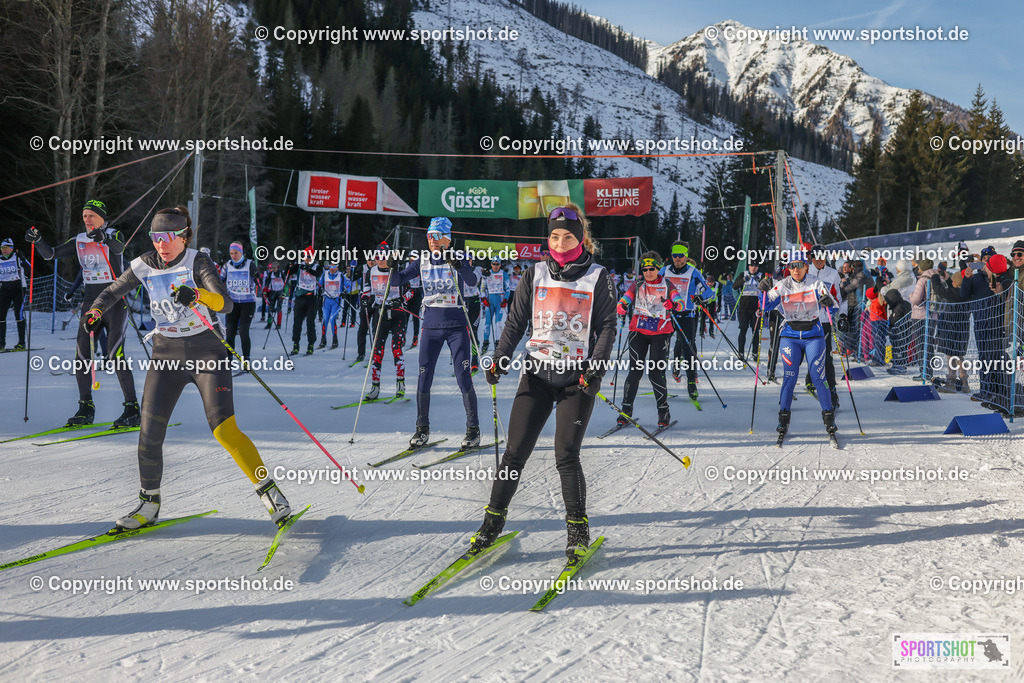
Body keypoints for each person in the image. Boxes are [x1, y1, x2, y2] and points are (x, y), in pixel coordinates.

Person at [84, 206, 292, 529]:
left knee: (225, 431)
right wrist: (96, 311)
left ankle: (269, 491)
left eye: (168, 238)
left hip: (207, 351)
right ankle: (148, 504)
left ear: (184, 237)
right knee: (149, 434)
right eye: (155, 238)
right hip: (166, 355)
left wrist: (198, 295)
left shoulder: (198, 261)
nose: (161, 245)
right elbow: (112, 291)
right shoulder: (144, 265)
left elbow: (226, 302)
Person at [475, 204, 617, 560]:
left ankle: (577, 530)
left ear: (580, 237)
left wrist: (595, 369)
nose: (560, 242)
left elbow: (606, 328)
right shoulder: (534, 273)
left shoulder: (597, 276)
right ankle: (492, 522)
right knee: (514, 452)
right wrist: (500, 359)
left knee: (566, 456)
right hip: (537, 374)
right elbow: (515, 323)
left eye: (568, 236)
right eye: (554, 236)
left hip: (576, 380)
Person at [25, 199, 139, 427]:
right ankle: (85, 407)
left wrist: (104, 237)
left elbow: (119, 248)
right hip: (90, 304)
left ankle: (132, 408)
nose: (87, 219)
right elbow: (51, 254)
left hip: (115, 302)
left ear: (102, 218)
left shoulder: (114, 234)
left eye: (92, 216)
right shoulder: (79, 240)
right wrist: (38, 242)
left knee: (115, 354)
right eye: (85, 216)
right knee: (82, 357)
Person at [389, 217, 480, 448]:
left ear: (447, 239)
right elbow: (398, 280)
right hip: (430, 326)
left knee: (463, 377)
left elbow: (472, 281)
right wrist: (390, 268)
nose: (432, 240)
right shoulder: (422, 261)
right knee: (424, 377)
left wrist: (459, 266)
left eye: (437, 235)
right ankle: (422, 429)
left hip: (456, 326)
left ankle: (473, 430)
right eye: (429, 235)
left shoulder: (457, 258)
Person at [758, 251, 838, 442]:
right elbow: (764, 307)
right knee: (790, 378)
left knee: (819, 378)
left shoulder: (816, 283)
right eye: (792, 266)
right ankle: (783, 420)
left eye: (799, 265)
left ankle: (829, 419)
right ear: (789, 268)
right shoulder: (782, 285)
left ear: (806, 267)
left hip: (813, 335)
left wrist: (829, 302)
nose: (796, 269)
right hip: (790, 336)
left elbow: (833, 305)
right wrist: (762, 291)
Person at [616, 251, 684, 428]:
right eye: (645, 269)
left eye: (651, 268)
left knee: (655, 373)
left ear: (658, 268)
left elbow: (680, 302)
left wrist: (674, 304)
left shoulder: (667, 284)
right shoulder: (638, 284)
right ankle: (626, 411)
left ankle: (663, 412)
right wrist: (621, 305)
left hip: (661, 334)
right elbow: (625, 298)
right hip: (638, 331)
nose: (648, 272)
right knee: (635, 371)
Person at [660, 241, 712, 400]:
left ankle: (691, 383)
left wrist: (699, 298)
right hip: (667, 315)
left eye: (681, 256)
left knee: (688, 349)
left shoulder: (693, 272)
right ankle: (661, 384)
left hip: (686, 316)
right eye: (675, 256)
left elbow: (709, 292)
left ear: (686, 256)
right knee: (661, 349)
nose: (677, 259)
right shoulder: (664, 271)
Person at [363, 247, 412, 400]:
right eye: (377, 256)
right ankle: (375, 387)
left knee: (396, 348)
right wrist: (365, 298)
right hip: (381, 313)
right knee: (377, 351)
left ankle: (400, 384)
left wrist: (402, 299)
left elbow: (411, 291)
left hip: (397, 313)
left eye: (383, 256)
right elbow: (367, 289)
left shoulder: (397, 271)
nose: (379, 259)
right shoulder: (371, 271)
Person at [805, 245, 841, 407]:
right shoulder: (804, 271)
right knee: (808, 354)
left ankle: (832, 391)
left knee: (826, 357)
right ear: (811, 257)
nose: (819, 260)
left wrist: (841, 312)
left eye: (822, 257)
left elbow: (839, 297)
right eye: (816, 257)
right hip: (805, 320)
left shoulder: (833, 274)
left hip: (825, 321)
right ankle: (809, 380)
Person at [221, 241, 258, 361]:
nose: (233, 256)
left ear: (241, 252)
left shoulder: (250, 264)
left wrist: (257, 276)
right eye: (231, 253)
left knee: (243, 331)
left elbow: (258, 280)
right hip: (233, 303)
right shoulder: (227, 265)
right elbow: (219, 280)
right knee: (230, 332)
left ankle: (246, 359)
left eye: (236, 253)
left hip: (248, 303)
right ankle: (229, 358)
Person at [286, 248, 322, 355]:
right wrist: (291, 265)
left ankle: (310, 345)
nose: (307, 259)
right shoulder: (299, 265)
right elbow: (288, 272)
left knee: (310, 323)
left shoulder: (317, 267)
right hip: (300, 298)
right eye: (306, 256)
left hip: (311, 298)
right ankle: (295, 345)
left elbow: (317, 273)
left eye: (310, 257)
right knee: (297, 322)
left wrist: (307, 269)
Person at [0, 238, 30, 350]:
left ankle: (22, 343)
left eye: (6, 248)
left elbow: (30, 269)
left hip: (19, 288)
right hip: (4, 289)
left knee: (19, 314)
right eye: (2, 248)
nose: (4, 250)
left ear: (12, 248)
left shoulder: (17, 258)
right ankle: (1, 343)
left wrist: (22, 258)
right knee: (1, 315)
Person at [480, 257, 509, 353]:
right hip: (489, 302)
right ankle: (485, 342)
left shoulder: (504, 274)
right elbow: (482, 288)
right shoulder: (487, 273)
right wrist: (484, 298)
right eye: (494, 264)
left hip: (499, 302)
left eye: (497, 264)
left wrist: (505, 299)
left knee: (498, 323)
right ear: (491, 264)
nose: (495, 266)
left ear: (500, 265)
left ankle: (497, 343)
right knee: (488, 323)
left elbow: (508, 289)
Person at [733, 262, 762, 360]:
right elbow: (735, 286)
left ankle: (755, 352)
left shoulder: (760, 276)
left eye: (755, 266)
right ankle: (741, 352)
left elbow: (768, 288)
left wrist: (762, 283)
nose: (753, 268)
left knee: (755, 331)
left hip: (756, 307)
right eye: (752, 266)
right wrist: (743, 280)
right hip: (744, 308)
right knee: (743, 330)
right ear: (748, 266)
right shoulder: (743, 274)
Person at [261, 262, 285, 330]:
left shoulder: (281, 273)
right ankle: (269, 324)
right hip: (272, 292)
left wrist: (284, 294)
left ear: (278, 267)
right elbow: (266, 283)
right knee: (270, 309)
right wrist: (265, 292)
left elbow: (286, 284)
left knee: (279, 308)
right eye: (272, 268)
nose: (274, 269)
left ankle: (279, 324)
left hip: (280, 292)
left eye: (275, 268)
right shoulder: (270, 274)